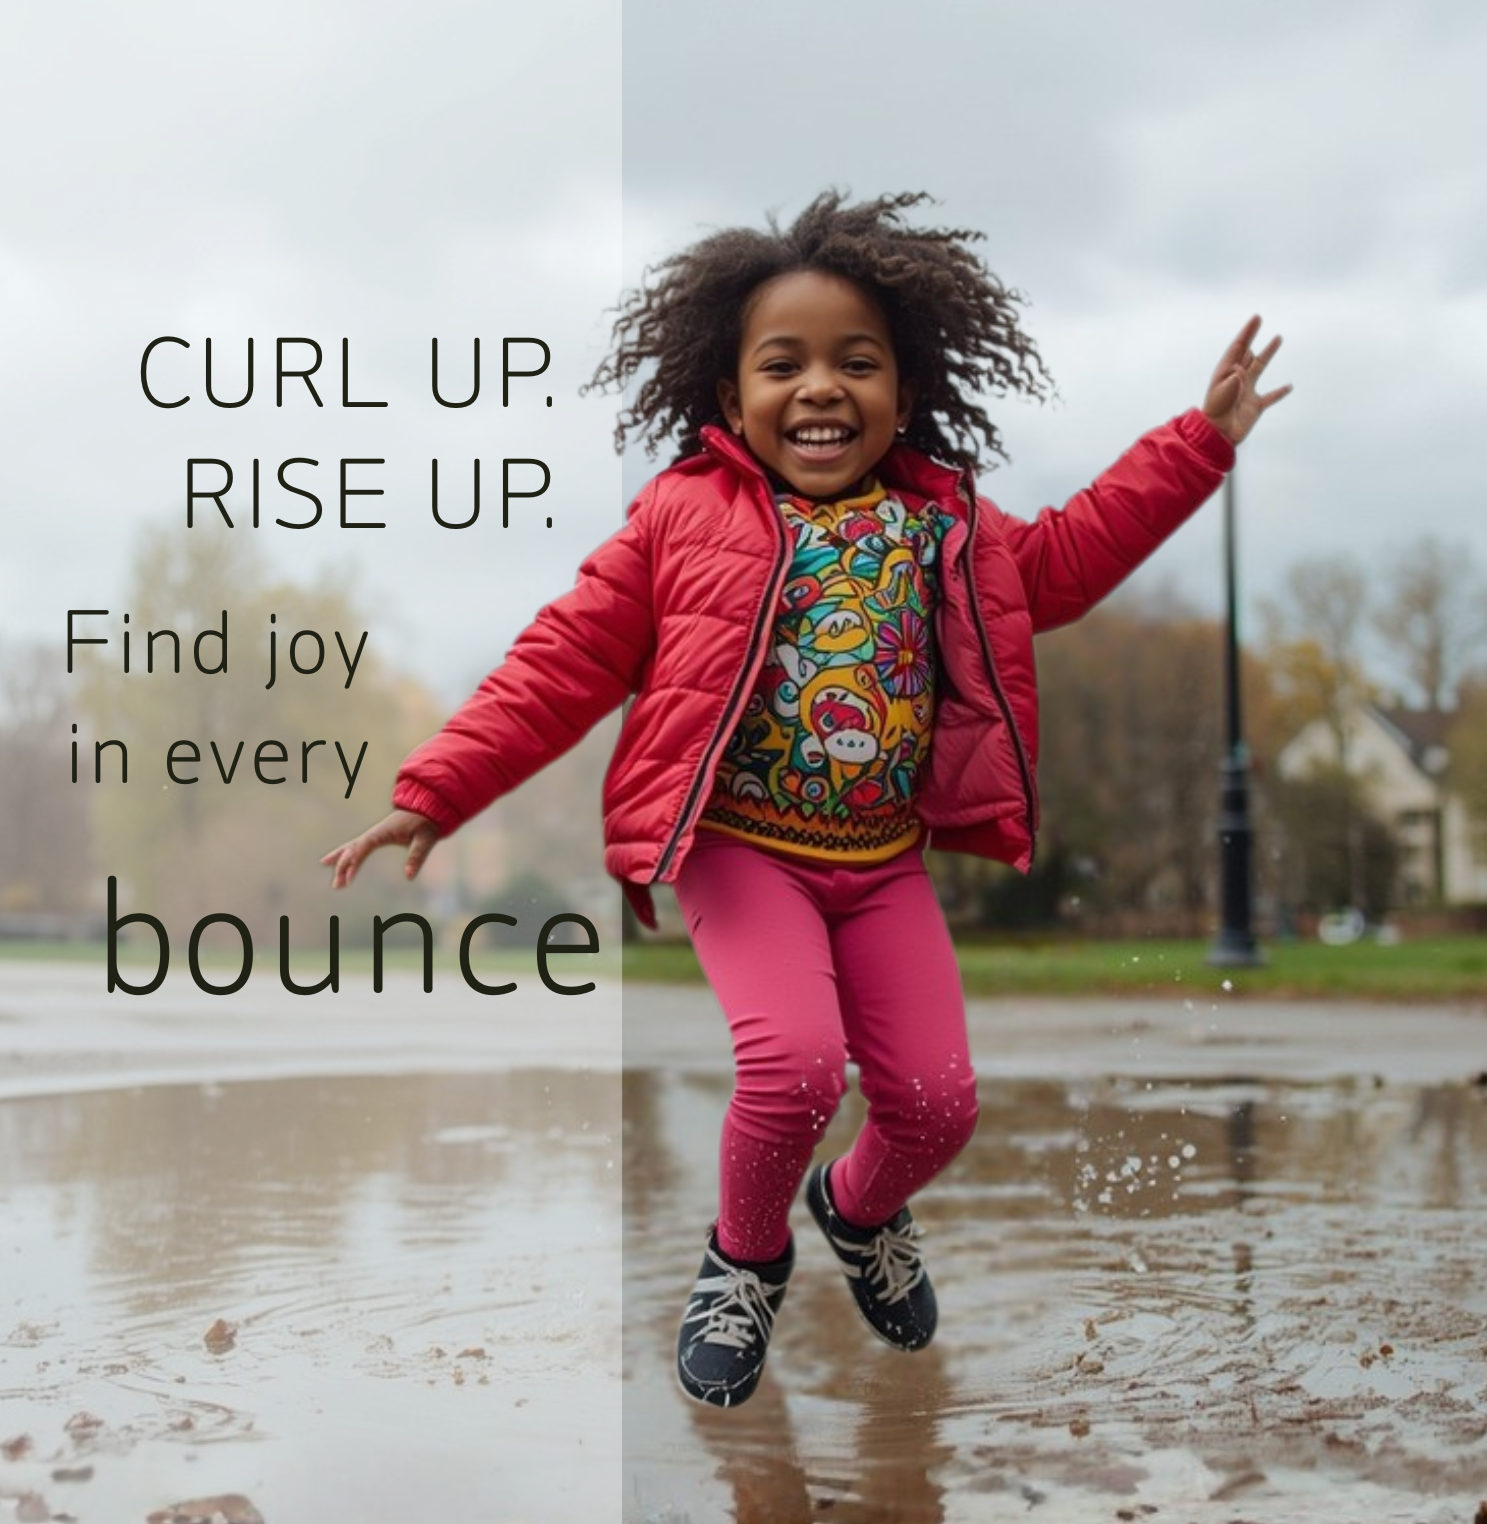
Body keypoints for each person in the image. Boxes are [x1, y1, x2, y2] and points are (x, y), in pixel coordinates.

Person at [323, 190, 1289, 1406]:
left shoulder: (949, 526)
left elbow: (1073, 559)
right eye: (783, 365)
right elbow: (562, 659)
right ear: (733, 400)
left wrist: (1197, 443)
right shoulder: (680, 518)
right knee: (793, 1071)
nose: (821, 388)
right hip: (742, 851)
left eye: (857, 364)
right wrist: (437, 791)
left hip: (881, 863)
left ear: (903, 393)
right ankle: (746, 1255)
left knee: (938, 1107)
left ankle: (857, 1205)